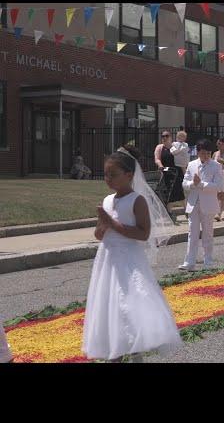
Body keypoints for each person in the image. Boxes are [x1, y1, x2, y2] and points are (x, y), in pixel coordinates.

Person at [82, 145, 182, 363]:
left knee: (130, 303)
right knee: (109, 304)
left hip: (128, 258)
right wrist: (102, 225)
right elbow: (100, 234)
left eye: (113, 174)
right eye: (106, 174)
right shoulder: (108, 200)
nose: (108, 179)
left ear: (129, 175)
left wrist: (113, 224)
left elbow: (143, 233)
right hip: (107, 258)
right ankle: (113, 349)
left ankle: (135, 349)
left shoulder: (137, 200)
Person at [179, 139, 224, 271]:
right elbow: (184, 183)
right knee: (192, 232)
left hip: (208, 203)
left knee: (207, 233)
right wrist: (192, 184)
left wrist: (201, 184)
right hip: (193, 203)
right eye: (203, 153)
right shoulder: (192, 164)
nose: (206, 156)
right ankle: (189, 262)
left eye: (208, 153)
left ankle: (208, 261)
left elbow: (219, 186)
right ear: (198, 153)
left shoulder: (216, 166)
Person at [154, 130, 185, 216]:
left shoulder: (175, 146)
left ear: (171, 137)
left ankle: (187, 211)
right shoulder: (160, 147)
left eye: (166, 136)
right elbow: (157, 158)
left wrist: (185, 172)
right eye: (163, 136)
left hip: (176, 172)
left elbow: (181, 160)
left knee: (180, 192)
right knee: (168, 193)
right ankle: (169, 213)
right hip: (166, 173)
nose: (164, 138)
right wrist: (160, 165)